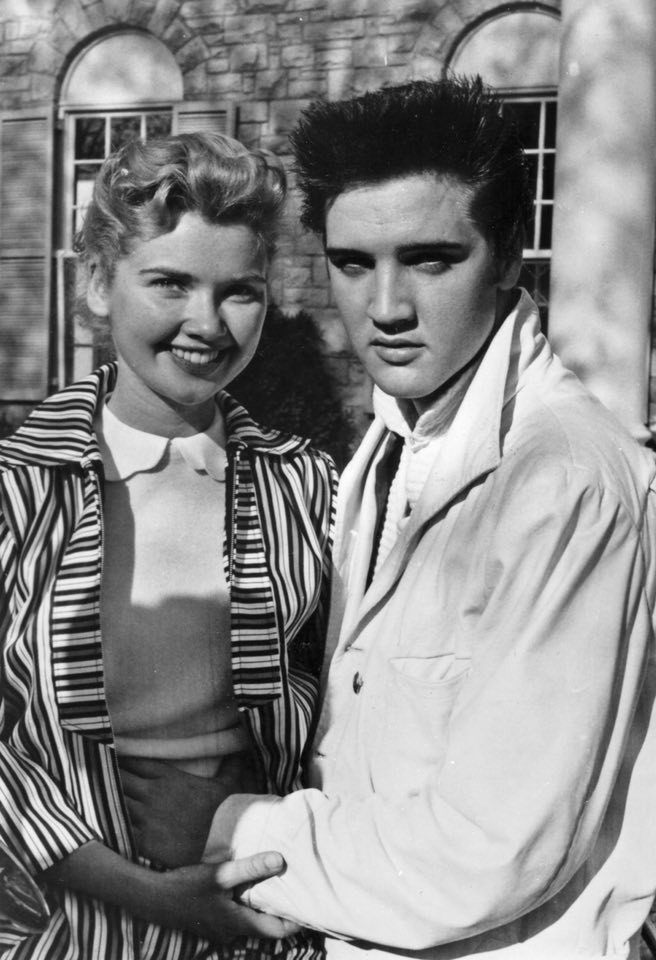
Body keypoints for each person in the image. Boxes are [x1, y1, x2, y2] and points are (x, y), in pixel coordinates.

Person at [181, 77, 656, 958]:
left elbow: (485, 853)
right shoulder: (392, 444)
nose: (387, 308)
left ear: (510, 257)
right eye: (353, 264)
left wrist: (227, 826)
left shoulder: (562, 482)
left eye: (431, 260)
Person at [0, 131, 336, 960]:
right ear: (97, 282)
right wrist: (150, 896)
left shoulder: (311, 488)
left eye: (239, 292)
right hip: (76, 924)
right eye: (170, 283)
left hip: (262, 916)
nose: (206, 323)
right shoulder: (17, 490)